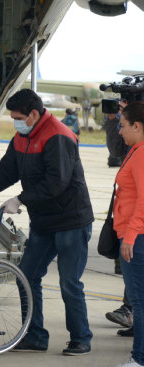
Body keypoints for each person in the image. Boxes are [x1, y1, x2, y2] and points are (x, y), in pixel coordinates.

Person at [0, 89, 94, 355]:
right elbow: (6, 172)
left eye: (18, 117)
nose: (15, 121)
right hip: (44, 222)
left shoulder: (58, 135)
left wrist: (21, 200)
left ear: (33, 114)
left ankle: (81, 337)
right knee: (26, 274)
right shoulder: (22, 137)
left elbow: (56, 182)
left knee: (69, 282)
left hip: (71, 220)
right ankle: (34, 335)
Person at [113, 101, 144, 367]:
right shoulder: (136, 149)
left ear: (137, 126)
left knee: (139, 301)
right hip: (134, 234)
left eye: (123, 126)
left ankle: (139, 358)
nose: (119, 131)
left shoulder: (142, 153)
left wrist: (131, 236)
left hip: (137, 238)